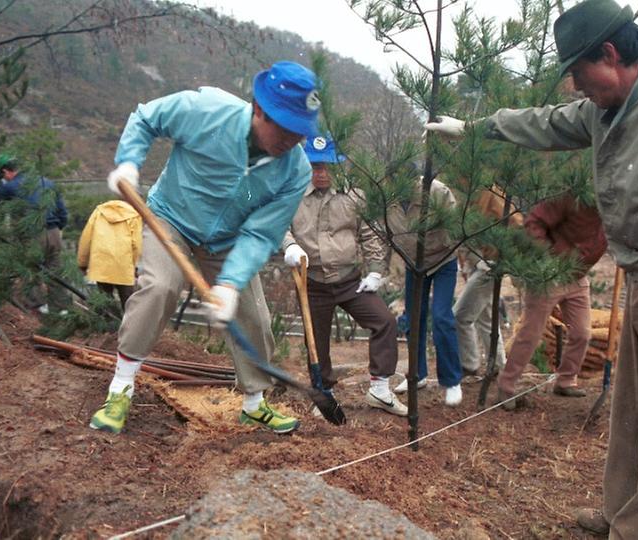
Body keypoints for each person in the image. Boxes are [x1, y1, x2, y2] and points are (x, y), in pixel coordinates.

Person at [424, 0, 638, 536]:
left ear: (609, 54)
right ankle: (617, 512)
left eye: (580, 74)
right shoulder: (607, 110)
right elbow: (546, 124)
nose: (578, 88)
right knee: (630, 409)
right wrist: (475, 127)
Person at [89, 61, 320, 435]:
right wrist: (129, 163)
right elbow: (147, 118)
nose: (293, 140)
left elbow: (261, 234)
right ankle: (121, 387)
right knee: (159, 287)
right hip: (171, 219)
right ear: (260, 109)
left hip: (228, 241)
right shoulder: (208, 111)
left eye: (301, 131)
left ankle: (254, 404)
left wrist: (229, 283)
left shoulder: (296, 171)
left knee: (255, 317)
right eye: (287, 127)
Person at [282, 135, 406, 416]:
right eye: (315, 166)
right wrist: (289, 246)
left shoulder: (354, 196)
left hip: (351, 281)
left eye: (327, 166)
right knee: (316, 340)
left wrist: (375, 271)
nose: (322, 173)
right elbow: (280, 227)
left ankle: (380, 388)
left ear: (337, 167)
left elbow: (370, 234)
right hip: (311, 282)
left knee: (384, 321)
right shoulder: (292, 196)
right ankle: (323, 395)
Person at [497, 193, 607, 409]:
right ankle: (506, 385)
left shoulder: (615, 203)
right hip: (549, 275)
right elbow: (534, 221)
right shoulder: (573, 194)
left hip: (577, 276)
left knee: (581, 333)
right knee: (531, 333)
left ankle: (566, 380)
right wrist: (548, 259)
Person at [387, 176, 464, 406]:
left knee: (441, 317)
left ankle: (451, 381)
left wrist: (438, 243)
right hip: (414, 265)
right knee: (413, 318)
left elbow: (456, 224)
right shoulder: (387, 198)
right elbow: (385, 234)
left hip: (442, 260)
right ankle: (417, 373)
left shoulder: (436, 191)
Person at [453, 188, 520, 378]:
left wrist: (501, 258)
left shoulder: (491, 194)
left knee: (460, 316)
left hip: (489, 265)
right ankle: (499, 364)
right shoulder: (468, 192)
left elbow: (517, 224)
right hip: (479, 262)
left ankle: (469, 364)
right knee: (485, 319)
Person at [0, 153, 69, 313]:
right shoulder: (47, 182)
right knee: (56, 270)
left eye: (3, 176)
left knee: (30, 270)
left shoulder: (10, 186)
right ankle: (61, 309)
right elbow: (62, 211)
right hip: (54, 232)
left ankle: (37, 307)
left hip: (33, 234)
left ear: (6, 171)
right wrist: (57, 227)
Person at [77, 200, 143, 313]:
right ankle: (130, 327)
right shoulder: (134, 216)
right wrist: (134, 266)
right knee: (128, 300)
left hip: (101, 262)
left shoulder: (99, 212)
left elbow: (86, 239)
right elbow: (137, 244)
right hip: (123, 263)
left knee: (106, 298)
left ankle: (111, 324)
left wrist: (82, 262)